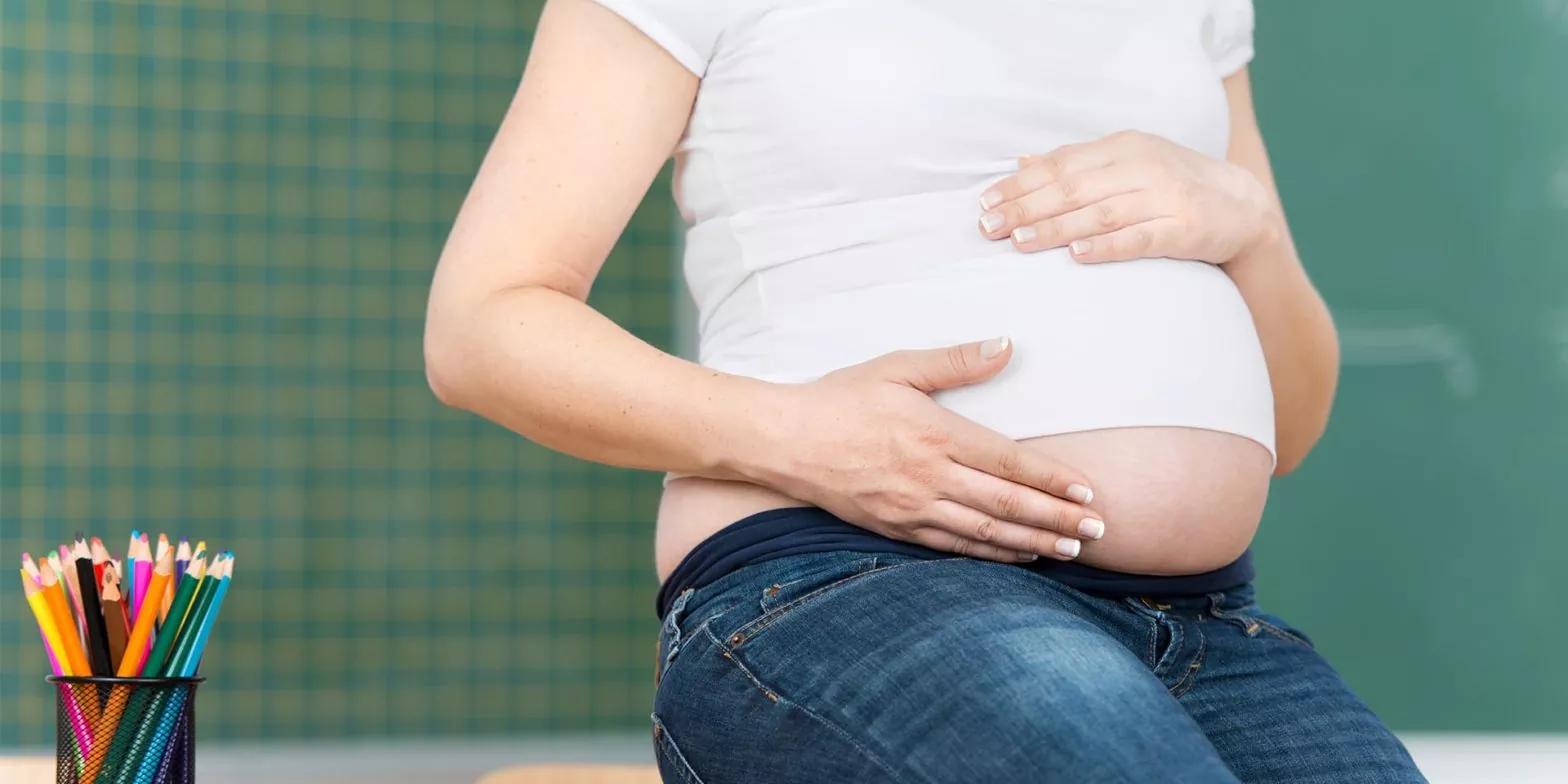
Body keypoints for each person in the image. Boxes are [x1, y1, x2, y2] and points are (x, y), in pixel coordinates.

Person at [424, 0, 1427, 780]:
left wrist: (1243, 223)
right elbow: (481, 326)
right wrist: (798, 435)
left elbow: (1290, 424)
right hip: (846, 581)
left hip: (1207, 622)